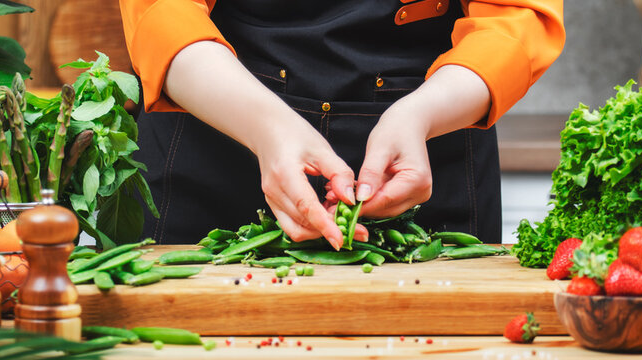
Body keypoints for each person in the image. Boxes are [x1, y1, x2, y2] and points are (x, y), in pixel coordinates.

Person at [119, 0, 565, 249]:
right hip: (215, 133)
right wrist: (266, 128)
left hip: (427, 142)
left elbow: (516, 21)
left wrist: (420, 114)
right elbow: (162, 14)